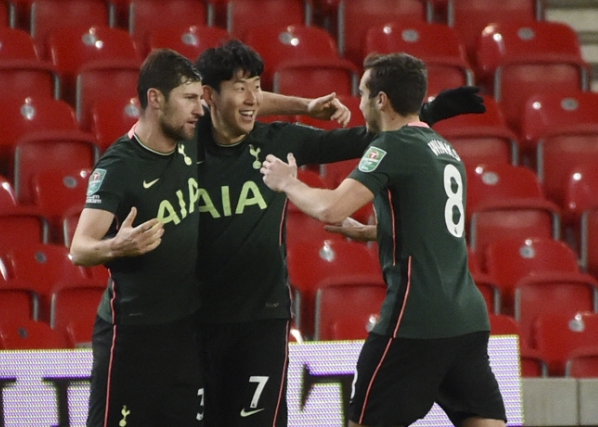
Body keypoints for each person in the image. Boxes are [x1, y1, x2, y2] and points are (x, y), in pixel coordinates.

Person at [193, 40, 487, 427]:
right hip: (192, 317)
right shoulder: (183, 139)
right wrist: (305, 105)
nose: (251, 97)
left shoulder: (278, 141)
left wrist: (427, 112)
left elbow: (367, 137)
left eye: (257, 86)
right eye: (239, 86)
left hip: (261, 317)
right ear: (209, 95)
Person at [70, 48, 206, 427]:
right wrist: (117, 246)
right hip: (132, 335)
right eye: (189, 98)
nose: (200, 109)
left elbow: (242, 101)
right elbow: (79, 249)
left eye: (200, 98)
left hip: (186, 331)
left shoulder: (189, 137)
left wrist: (306, 107)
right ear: (155, 98)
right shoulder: (119, 166)